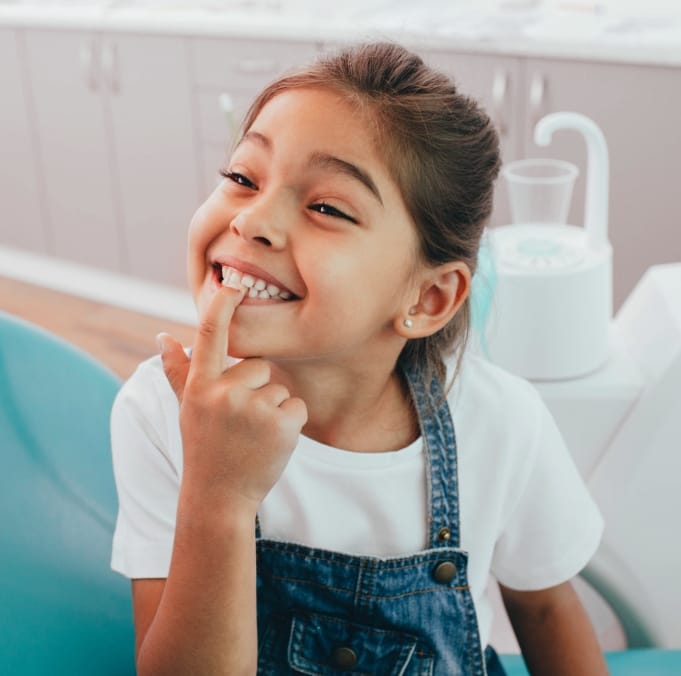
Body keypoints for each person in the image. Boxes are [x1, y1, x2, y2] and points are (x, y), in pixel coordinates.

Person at [110, 42, 607, 675]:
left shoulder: (503, 421)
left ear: (427, 298)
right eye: (242, 177)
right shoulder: (159, 411)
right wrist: (218, 495)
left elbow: (544, 611)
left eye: (326, 207)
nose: (253, 220)